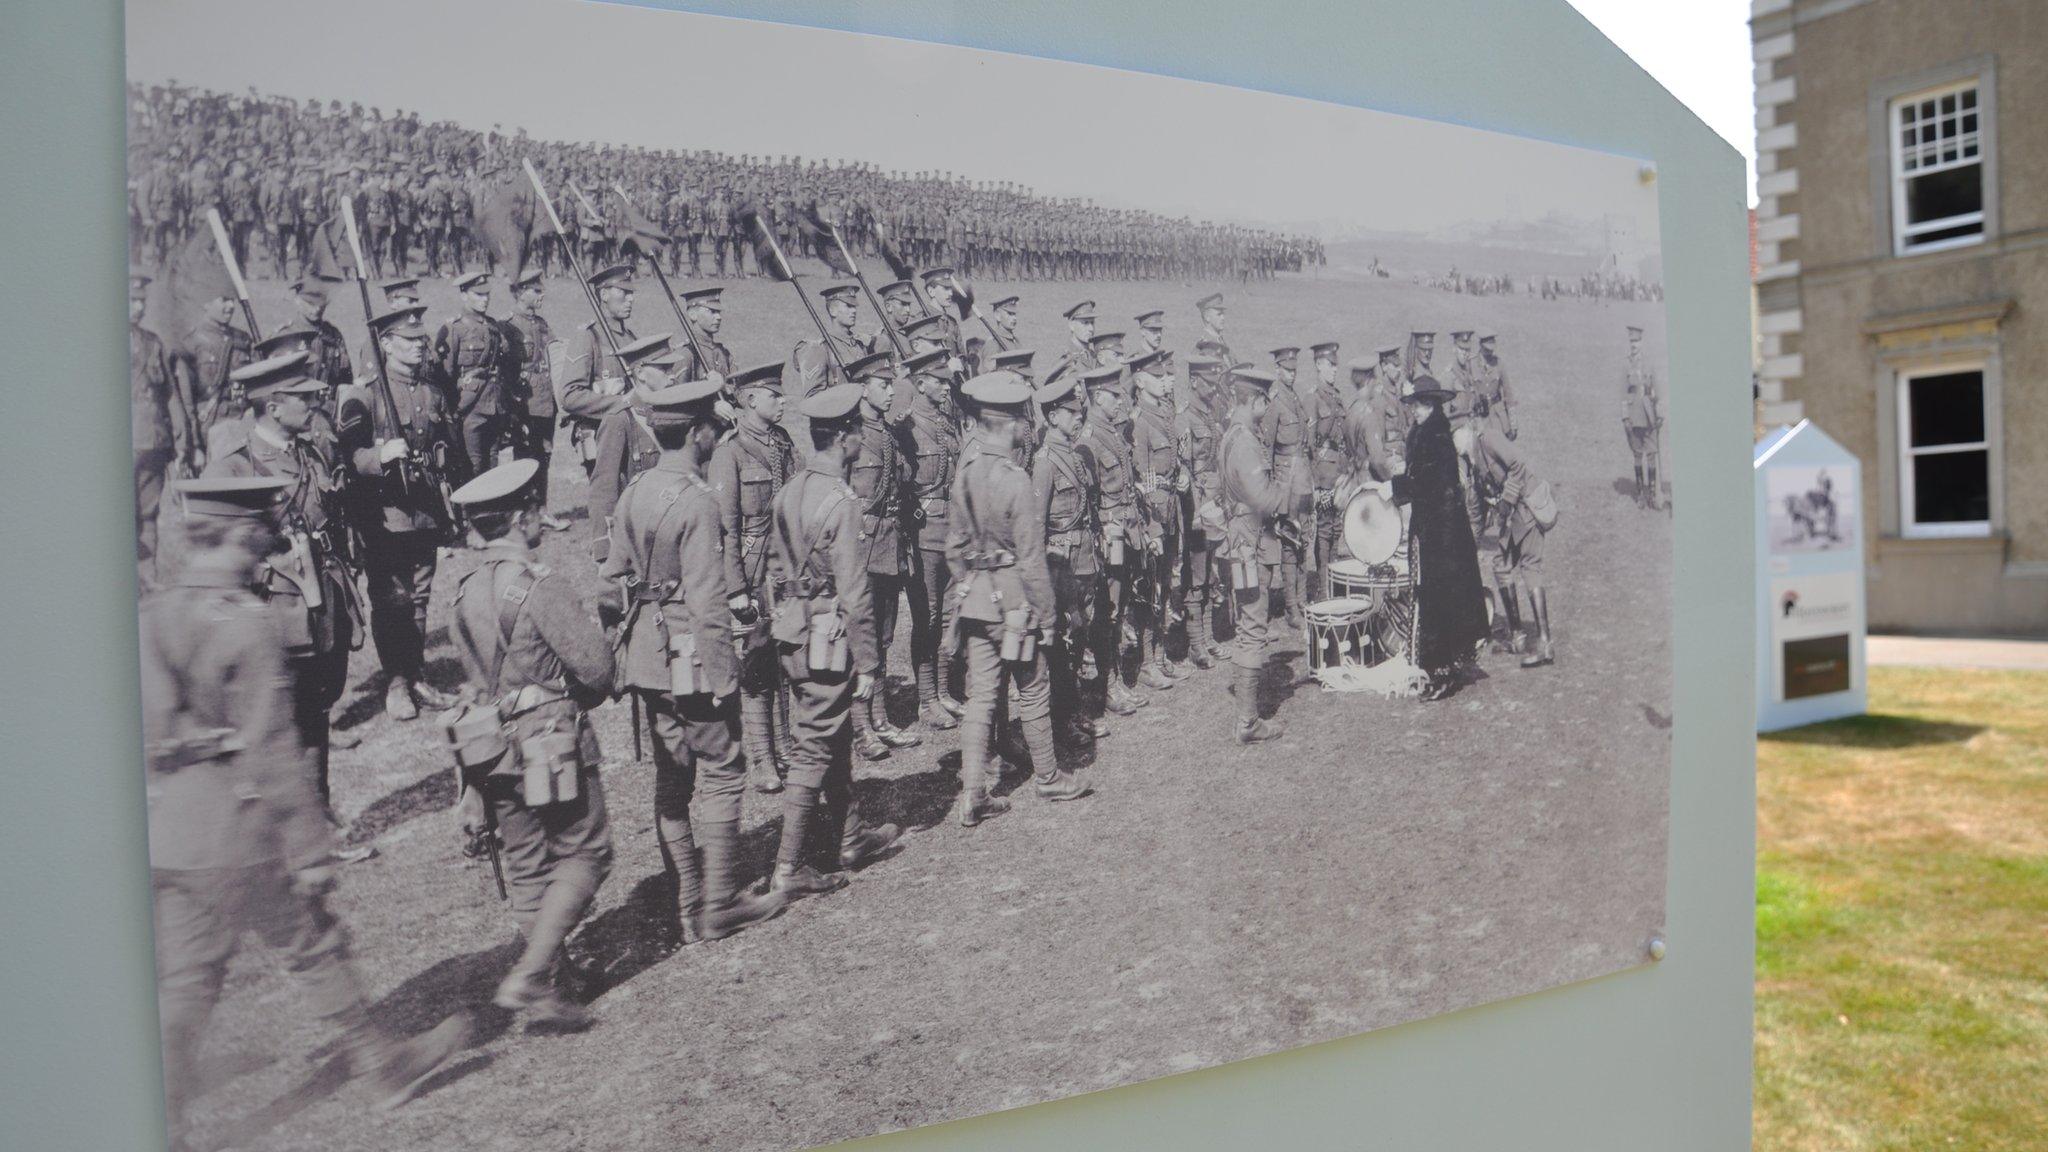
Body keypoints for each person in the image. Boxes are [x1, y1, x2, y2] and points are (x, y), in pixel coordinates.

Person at [142, 476, 469, 1152]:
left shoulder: (156, 614)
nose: (270, 533)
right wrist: (311, 848)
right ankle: (383, 1066)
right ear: (238, 534)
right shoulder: (247, 623)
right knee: (313, 944)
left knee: (188, 978)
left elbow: (149, 734)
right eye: (262, 525)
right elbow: (269, 747)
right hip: (243, 828)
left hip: (176, 831)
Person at [599, 381, 784, 944]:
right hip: (693, 658)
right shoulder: (698, 500)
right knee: (726, 768)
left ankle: (687, 902)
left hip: (650, 660)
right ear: (701, 432)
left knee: (672, 778)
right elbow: (706, 603)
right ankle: (720, 902)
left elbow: (611, 581)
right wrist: (726, 678)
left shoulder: (635, 491)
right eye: (714, 425)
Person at [445, 459, 614, 1029]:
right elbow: (596, 672)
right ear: (521, 518)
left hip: (489, 748)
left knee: (525, 864)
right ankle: (535, 973)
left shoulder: (462, 593)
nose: (540, 518)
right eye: (535, 510)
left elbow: (472, 683)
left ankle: (558, 982)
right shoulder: (541, 587)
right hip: (550, 743)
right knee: (586, 852)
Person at [204, 353, 364, 847]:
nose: (315, 402)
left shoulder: (311, 452)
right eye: (303, 397)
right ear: (274, 406)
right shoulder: (234, 469)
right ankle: (297, 829)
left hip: (321, 601)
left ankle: (317, 811)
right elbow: (213, 557)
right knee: (281, 719)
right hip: (275, 612)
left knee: (316, 709)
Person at [767, 382, 906, 896]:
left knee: (832, 732)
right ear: (845, 437)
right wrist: (870, 663)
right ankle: (789, 865)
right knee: (812, 746)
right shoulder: (842, 502)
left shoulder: (790, 489)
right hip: (827, 636)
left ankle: (850, 837)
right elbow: (854, 593)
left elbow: (775, 568)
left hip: (792, 626)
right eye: (856, 434)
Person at [949, 371, 1090, 825]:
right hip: (1014, 602)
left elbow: (953, 547)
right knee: (1032, 687)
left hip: (976, 599)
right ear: (1008, 425)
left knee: (982, 697)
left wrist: (971, 580)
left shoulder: (965, 474)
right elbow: (1031, 560)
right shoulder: (1014, 480)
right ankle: (1049, 777)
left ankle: (974, 791)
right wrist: (1047, 616)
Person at [338, 306, 460, 721]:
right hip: (384, 514)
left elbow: (444, 443)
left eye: (420, 340)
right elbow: (348, 455)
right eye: (407, 341)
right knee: (392, 599)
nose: (417, 347)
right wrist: (380, 455)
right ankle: (396, 681)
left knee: (421, 596)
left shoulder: (431, 390)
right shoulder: (366, 393)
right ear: (386, 344)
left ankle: (417, 672)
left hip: (424, 508)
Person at [1364, 378, 1490, 699]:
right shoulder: (1425, 433)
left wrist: (1395, 488)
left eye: (1421, 405)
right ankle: (1435, 665)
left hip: (1444, 534)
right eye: (1414, 405)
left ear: (1433, 405)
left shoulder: (1435, 436)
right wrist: (1399, 485)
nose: (1415, 410)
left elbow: (1431, 484)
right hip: (1433, 527)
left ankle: (1442, 671)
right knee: (1432, 594)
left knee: (1439, 597)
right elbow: (1422, 479)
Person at [709, 360, 799, 793]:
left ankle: (784, 743)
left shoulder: (783, 443)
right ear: (749, 400)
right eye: (773, 395)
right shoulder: (730, 453)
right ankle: (763, 756)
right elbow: (725, 529)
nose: (782, 401)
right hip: (753, 568)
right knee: (757, 666)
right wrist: (735, 589)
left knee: (784, 657)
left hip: (785, 567)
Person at [843, 351, 921, 758]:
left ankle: (880, 718)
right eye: (883, 384)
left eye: (892, 384)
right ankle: (861, 728)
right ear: (862, 389)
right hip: (861, 548)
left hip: (890, 544)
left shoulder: (888, 433)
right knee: (863, 639)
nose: (891, 391)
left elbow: (904, 479)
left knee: (884, 636)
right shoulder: (850, 436)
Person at [1218, 367, 1300, 743]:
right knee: (1252, 626)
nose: (1267, 407)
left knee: (1248, 624)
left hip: (1242, 539)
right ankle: (1248, 722)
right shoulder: (1246, 443)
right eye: (1264, 400)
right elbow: (1264, 499)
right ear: (1252, 400)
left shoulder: (1231, 436)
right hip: (1250, 542)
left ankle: (1247, 717)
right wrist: (1296, 494)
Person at [1034, 369, 1110, 742]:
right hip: (1059, 563)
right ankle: (1061, 719)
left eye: (1079, 408)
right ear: (1052, 416)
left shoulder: (1074, 454)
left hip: (1083, 557)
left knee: (1079, 633)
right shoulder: (1045, 462)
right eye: (1069, 410)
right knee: (1063, 640)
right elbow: (1036, 526)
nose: (1078, 415)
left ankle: (1073, 709)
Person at [1078, 363, 1156, 712]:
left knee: (1119, 606)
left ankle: (1114, 683)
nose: (1119, 402)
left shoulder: (1111, 431)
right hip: (1110, 538)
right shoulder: (1089, 440)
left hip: (1127, 533)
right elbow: (1088, 500)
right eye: (1113, 396)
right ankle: (1106, 688)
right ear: (1097, 397)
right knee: (1106, 613)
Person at [902, 347, 964, 731]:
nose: (945, 387)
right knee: (926, 617)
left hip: (952, 530)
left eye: (946, 381)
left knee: (949, 614)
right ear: (920, 383)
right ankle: (926, 699)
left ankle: (942, 690)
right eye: (938, 381)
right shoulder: (906, 426)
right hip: (923, 533)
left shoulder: (947, 422)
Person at [1463, 421, 1556, 667]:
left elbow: (1518, 465)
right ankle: (1518, 635)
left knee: (1530, 566)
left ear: (1464, 431)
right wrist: (1469, 547)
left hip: (1527, 507)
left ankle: (1545, 643)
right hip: (1512, 516)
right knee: (1501, 566)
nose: (1454, 446)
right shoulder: (1471, 461)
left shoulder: (1488, 439)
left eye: (1454, 437)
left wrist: (1506, 500)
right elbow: (1477, 510)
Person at [585, 334, 677, 559]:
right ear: (640, 373)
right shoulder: (621, 418)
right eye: (664, 369)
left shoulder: (675, 411)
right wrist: (606, 550)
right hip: (641, 535)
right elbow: (604, 488)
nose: (672, 375)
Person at [1127, 349, 1189, 684]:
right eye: (1155, 375)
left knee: (1166, 586)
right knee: (1150, 589)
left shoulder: (1164, 415)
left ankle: (1162, 653)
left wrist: (1181, 477)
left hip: (1171, 509)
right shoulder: (1139, 422)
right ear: (1139, 381)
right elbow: (1141, 476)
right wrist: (1152, 521)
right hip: (1154, 515)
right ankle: (1147, 662)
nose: (1162, 380)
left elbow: (1172, 461)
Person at [501, 266, 569, 530]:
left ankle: (541, 509)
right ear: (520, 292)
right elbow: (506, 373)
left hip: (545, 399)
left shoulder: (541, 324)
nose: (542, 295)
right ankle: (522, 512)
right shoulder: (508, 326)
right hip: (524, 401)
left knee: (545, 454)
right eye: (536, 290)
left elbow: (555, 358)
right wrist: (513, 407)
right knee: (525, 456)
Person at [1174, 354, 1229, 670]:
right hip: (1197, 506)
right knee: (1195, 575)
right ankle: (1196, 644)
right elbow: (1185, 469)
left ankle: (1208, 638)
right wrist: (1196, 511)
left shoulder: (1209, 415)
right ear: (1194, 381)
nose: (1213, 388)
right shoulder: (1185, 419)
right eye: (1209, 382)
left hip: (1214, 502)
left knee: (1210, 573)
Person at [558, 263, 638, 477]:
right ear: (604, 294)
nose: (630, 299)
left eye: (631, 293)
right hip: (601, 437)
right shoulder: (588, 337)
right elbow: (569, 396)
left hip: (633, 437)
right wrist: (621, 402)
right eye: (624, 292)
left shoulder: (630, 337)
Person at [131, 270, 183, 583]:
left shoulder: (153, 342)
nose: (139, 308)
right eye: (132, 301)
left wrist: (181, 436)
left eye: (142, 301)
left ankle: (148, 582)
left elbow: (169, 395)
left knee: (149, 516)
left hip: (154, 442)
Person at [437, 270, 510, 486]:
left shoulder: (493, 327)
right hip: (468, 410)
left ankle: (491, 516)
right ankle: (470, 519)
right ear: (463, 296)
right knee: (472, 467)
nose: (484, 299)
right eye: (478, 294)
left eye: (486, 294)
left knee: (493, 465)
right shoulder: (454, 329)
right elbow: (445, 376)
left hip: (494, 405)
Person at [1621, 325, 1662, 510]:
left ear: (1642, 342)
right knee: (1637, 454)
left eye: (1636, 341)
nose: (1633, 345)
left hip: (1649, 414)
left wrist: (1659, 413)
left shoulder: (1650, 363)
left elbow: (1658, 390)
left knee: (1651, 454)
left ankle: (1653, 494)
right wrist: (1625, 417)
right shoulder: (1625, 364)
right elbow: (1622, 393)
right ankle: (1640, 495)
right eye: (1631, 341)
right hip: (1633, 414)